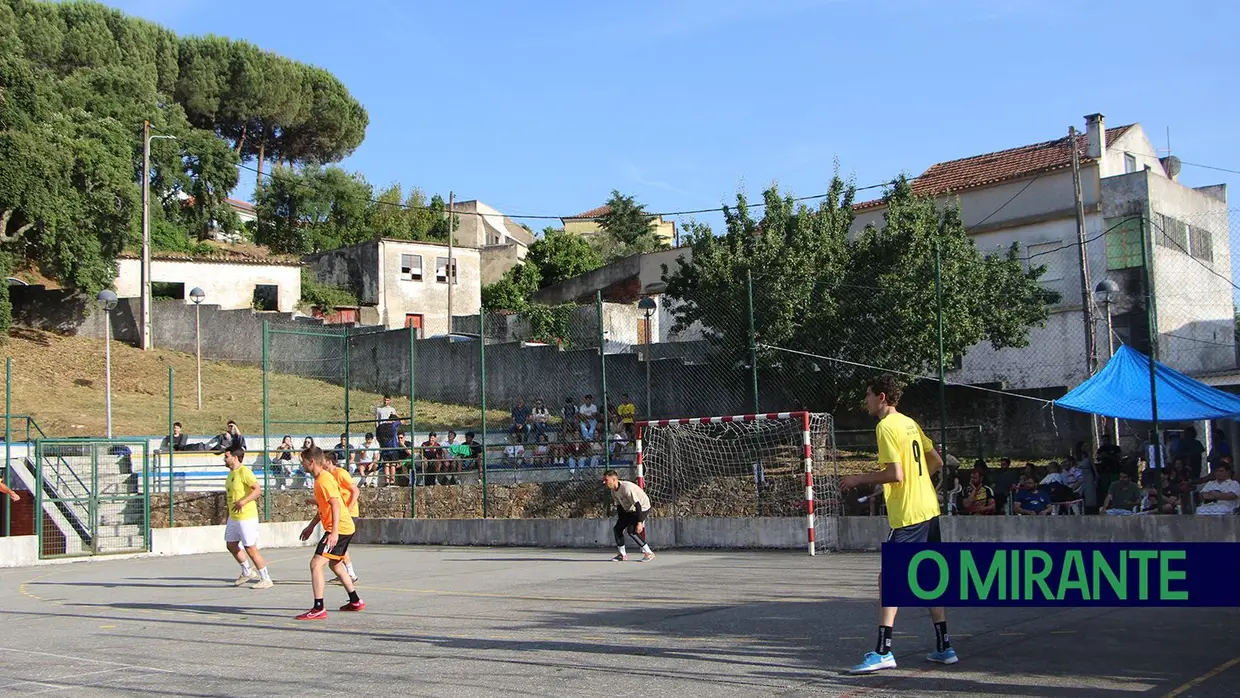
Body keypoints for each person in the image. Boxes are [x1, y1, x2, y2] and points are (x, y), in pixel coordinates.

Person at [839, 374, 957, 674]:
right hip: (929, 508)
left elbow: (896, 474)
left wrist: (857, 479)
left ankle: (883, 651)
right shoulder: (909, 422)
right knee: (930, 578)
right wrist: (911, 484)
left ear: (881, 397)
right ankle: (944, 646)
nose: (865, 400)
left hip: (909, 515)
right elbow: (936, 462)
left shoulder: (886, 427)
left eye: (867, 394)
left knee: (889, 580)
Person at [296, 446, 364, 619]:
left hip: (339, 528)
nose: (301, 464)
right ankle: (355, 601)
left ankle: (318, 608)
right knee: (335, 564)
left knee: (316, 564)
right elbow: (324, 507)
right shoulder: (322, 479)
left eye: (303, 461)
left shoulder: (323, 480)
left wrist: (333, 533)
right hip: (344, 527)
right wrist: (311, 526)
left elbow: (334, 505)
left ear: (311, 462)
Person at [223, 445, 272, 589]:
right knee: (231, 544)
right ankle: (247, 571)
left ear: (235, 457)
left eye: (226, 456)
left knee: (250, 547)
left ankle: (265, 578)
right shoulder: (231, 473)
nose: (224, 459)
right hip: (234, 517)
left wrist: (243, 502)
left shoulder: (245, 472)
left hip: (246, 517)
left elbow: (257, 490)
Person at [322, 450, 361, 583]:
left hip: (349, 514)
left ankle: (350, 574)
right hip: (342, 514)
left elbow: (355, 491)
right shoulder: (328, 476)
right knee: (341, 546)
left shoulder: (341, 473)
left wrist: (348, 510)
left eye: (322, 461)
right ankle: (349, 573)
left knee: (340, 544)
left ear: (328, 462)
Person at [602, 470, 655, 562]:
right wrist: (621, 522)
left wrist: (639, 522)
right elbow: (619, 507)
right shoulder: (613, 491)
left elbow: (638, 505)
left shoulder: (626, 488)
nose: (604, 482)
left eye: (606, 480)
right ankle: (622, 555)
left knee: (632, 531)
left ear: (614, 479)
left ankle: (649, 553)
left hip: (642, 508)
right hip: (629, 509)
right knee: (617, 529)